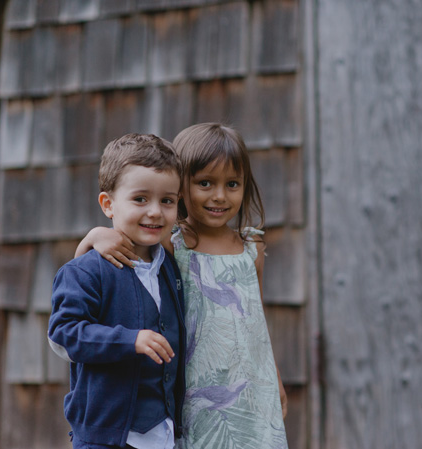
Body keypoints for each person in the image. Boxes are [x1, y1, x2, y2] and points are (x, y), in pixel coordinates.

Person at [77, 123, 289, 449]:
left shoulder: (252, 248)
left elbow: (256, 323)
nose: (219, 195)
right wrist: (94, 236)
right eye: (205, 183)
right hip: (199, 386)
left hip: (252, 387)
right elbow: (118, 244)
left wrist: (274, 376)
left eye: (232, 184)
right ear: (181, 187)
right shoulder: (175, 242)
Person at [48, 133, 186, 449]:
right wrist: (130, 339)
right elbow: (63, 334)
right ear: (108, 204)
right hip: (107, 437)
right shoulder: (85, 270)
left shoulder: (172, 267)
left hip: (164, 434)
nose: (155, 212)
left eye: (167, 201)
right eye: (140, 199)